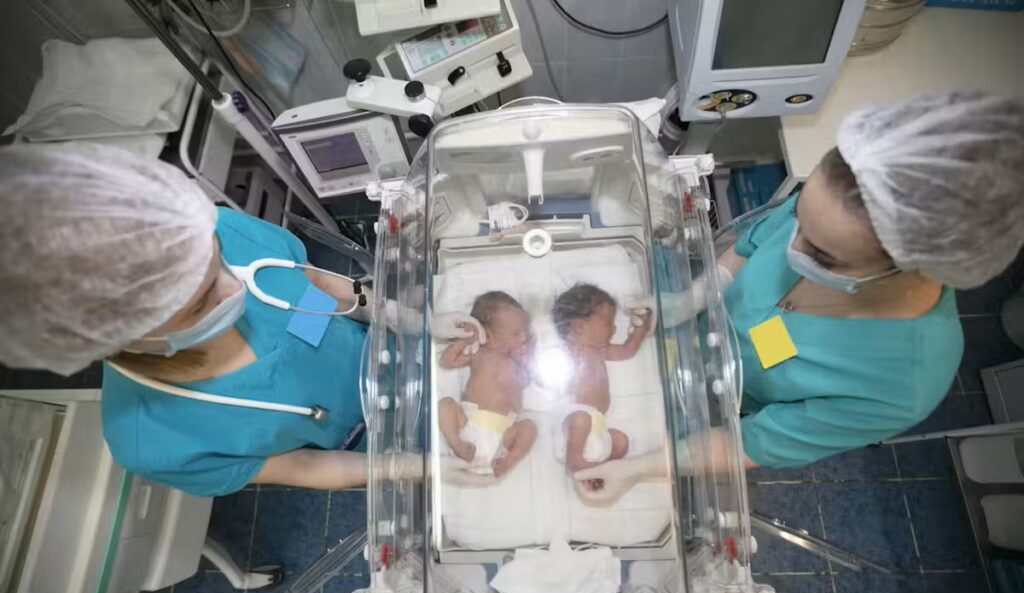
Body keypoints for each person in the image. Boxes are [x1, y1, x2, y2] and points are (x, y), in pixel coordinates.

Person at [575, 90, 1024, 500]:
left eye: (822, 254)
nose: (793, 248)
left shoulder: (902, 384)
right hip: (693, 342)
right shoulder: (837, 204)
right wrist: (692, 299)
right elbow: (749, 246)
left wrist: (639, 469)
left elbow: (750, 442)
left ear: (908, 267)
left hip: (721, 405)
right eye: (800, 219)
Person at [0, 143, 447, 496]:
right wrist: (413, 468)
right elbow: (304, 466)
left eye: (218, 261)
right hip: (377, 439)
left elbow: (316, 284)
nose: (235, 288)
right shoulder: (152, 438)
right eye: (200, 304)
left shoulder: (225, 232)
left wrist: (397, 314)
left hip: (395, 345)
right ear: (125, 338)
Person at [551, 283, 652, 476]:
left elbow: (628, 350)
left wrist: (642, 326)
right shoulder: (570, 349)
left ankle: (596, 471)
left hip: (598, 426)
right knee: (581, 419)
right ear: (580, 326)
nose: (614, 329)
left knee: (621, 442)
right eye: (608, 323)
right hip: (573, 426)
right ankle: (574, 462)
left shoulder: (601, 350)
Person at [437, 291, 538, 478]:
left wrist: (525, 359)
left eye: (525, 331)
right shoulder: (479, 353)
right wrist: (466, 340)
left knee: (529, 427)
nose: (524, 338)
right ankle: (456, 443)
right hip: (469, 423)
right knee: (445, 404)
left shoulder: (517, 362)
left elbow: (525, 380)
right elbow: (446, 361)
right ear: (488, 336)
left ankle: (508, 460)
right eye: (516, 333)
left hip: (506, 432)